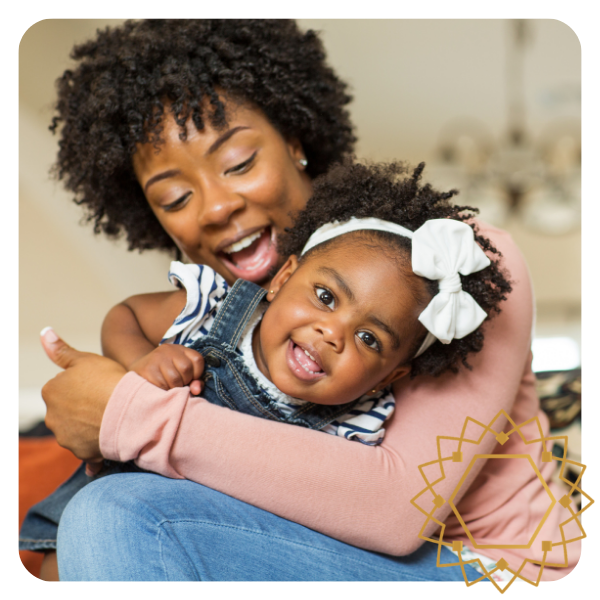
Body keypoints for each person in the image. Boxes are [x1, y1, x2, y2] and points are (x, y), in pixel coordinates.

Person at [25, 18, 581, 582]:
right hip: (313, 548)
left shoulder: (452, 264)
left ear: (294, 141)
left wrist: (128, 414)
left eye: (239, 163)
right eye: (174, 197)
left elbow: (396, 510)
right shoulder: (214, 312)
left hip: (490, 570)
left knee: (119, 515)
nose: (215, 208)